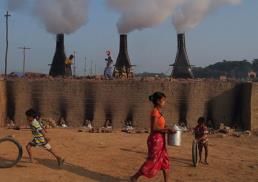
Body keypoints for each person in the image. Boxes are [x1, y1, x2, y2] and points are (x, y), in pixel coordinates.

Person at [130, 92, 176, 182]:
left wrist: (168, 128)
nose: (164, 103)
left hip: (161, 140)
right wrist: (167, 130)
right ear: (158, 101)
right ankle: (134, 177)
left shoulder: (159, 112)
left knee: (165, 162)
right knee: (152, 161)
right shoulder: (155, 112)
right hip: (156, 140)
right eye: (163, 101)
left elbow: (160, 126)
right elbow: (154, 128)